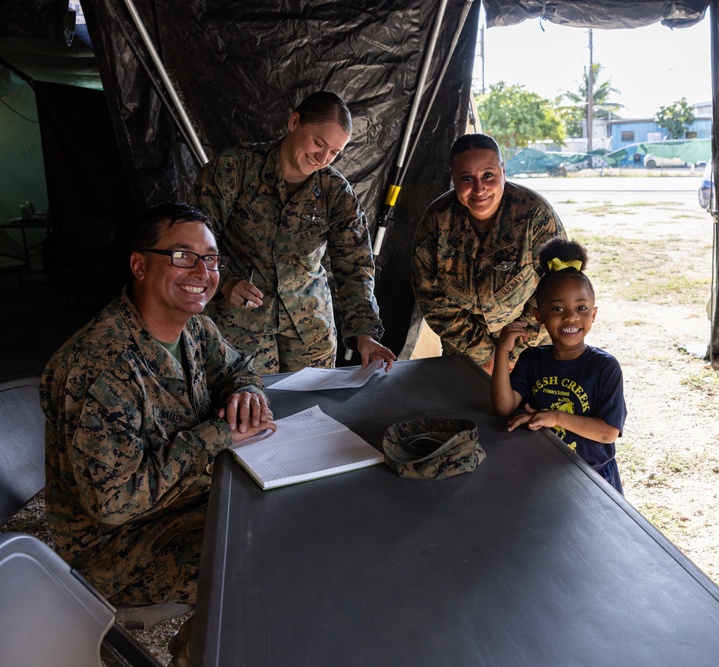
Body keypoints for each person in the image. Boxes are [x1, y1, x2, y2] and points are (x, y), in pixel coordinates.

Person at [40, 202, 277, 663]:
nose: (202, 272)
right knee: (257, 562)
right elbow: (114, 503)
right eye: (183, 256)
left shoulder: (194, 330)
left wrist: (246, 393)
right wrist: (218, 435)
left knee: (281, 521)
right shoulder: (101, 365)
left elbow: (239, 368)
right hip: (117, 548)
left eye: (210, 259)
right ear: (139, 265)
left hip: (183, 502)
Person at [188, 90, 395, 374]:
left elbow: (355, 267)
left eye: (334, 152)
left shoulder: (335, 193)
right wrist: (224, 282)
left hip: (310, 333)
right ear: (294, 122)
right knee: (250, 411)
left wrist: (365, 335)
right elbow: (193, 242)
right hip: (238, 330)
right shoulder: (234, 169)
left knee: (311, 413)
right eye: (318, 143)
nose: (323, 158)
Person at [412, 133, 567, 374]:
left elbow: (559, 288)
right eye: (466, 178)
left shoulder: (535, 215)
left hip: (532, 352)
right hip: (465, 355)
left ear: (503, 171)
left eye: (488, 175)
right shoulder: (437, 221)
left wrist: (511, 354)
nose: (479, 188)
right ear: (452, 177)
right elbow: (431, 297)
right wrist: (485, 354)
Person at [491, 238, 627, 494]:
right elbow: (503, 407)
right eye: (557, 308)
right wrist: (502, 351)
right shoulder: (532, 360)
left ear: (593, 315)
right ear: (539, 316)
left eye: (581, 307)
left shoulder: (604, 367)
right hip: (541, 469)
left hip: (592, 475)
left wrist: (554, 417)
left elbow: (608, 433)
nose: (571, 316)